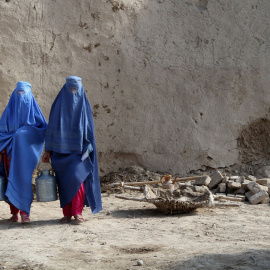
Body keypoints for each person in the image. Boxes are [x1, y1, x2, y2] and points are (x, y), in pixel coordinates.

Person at [42, 76, 102, 224]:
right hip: (59, 153)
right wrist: (47, 150)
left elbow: (89, 131)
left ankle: (77, 212)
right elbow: (51, 129)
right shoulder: (57, 106)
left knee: (77, 179)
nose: (73, 92)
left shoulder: (84, 106)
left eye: (76, 89)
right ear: (65, 88)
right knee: (64, 184)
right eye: (71, 88)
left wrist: (88, 148)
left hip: (78, 153)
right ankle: (67, 213)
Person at [0, 81, 47, 223]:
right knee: (10, 181)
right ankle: (14, 213)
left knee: (24, 181)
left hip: (26, 157)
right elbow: (1, 134)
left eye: (24, 94)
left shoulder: (35, 114)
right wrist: (13, 138)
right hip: (8, 155)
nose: (21, 97)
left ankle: (25, 213)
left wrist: (22, 134)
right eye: (18, 93)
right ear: (14, 95)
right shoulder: (7, 113)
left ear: (29, 97)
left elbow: (42, 130)